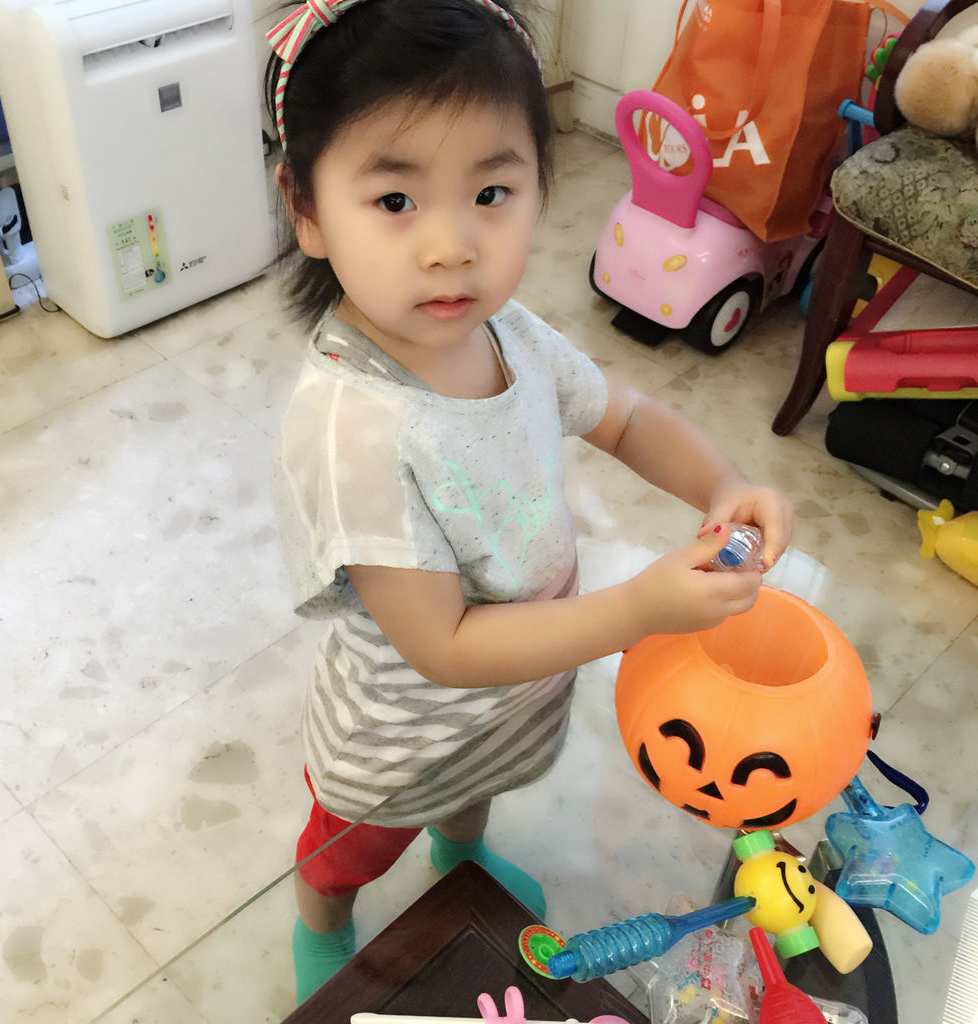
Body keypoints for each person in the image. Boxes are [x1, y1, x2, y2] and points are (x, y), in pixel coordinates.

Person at [265, 0, 795, 1002]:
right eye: (394, 199)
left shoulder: (510, 332)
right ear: (307, 208)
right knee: (348, 854)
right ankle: (321, 924)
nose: (450, 245)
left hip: (510, 698)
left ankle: (458, 852)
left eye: (491, 191)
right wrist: (639, 608)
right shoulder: (352, 428)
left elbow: (627, 416)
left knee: (480, 790)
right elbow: (445, 645)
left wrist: (724, 484)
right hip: (400, 737)